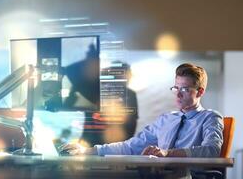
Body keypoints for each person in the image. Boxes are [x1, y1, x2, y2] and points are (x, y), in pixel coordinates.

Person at [60, 63, 223, 158]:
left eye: (185, 89)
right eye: (176, 88)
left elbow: (212, 150)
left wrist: (167, 153)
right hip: (160, 178)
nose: (178, 94)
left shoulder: (210, 117)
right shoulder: (166, 119)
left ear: (200, 92)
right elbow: (132, 146)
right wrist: (87, 151)